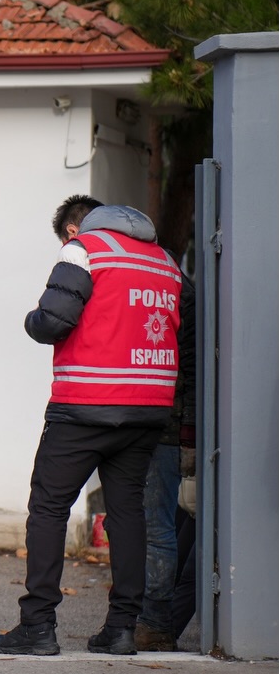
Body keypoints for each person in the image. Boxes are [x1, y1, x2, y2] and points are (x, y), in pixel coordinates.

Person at [0, 199, 191, 656]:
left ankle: (37, 626)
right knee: (127, 513)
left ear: (75, 227)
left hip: (85, 404)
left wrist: (31, 320)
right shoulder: (164, 262)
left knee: (49, 508)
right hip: (148, 407)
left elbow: (53, 322)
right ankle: (121, 628)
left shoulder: (85, 249)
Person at [136, 267, 196, 651]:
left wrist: (188, 435)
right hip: (160, 421)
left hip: (161, 424)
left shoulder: (165, 280)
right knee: (160, 526)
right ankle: (151, 621)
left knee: (159, 526)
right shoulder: (171, 278)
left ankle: (156, 623)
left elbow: (189, 364)